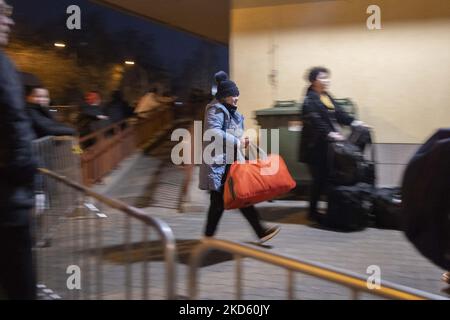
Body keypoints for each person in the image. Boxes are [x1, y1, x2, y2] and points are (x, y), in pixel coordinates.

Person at [199, 71, 280, 243]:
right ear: (224, 96)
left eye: (237, 95)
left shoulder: (228, 109)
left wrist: (242, 139)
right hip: (220, 163)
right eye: (232, 95)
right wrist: (237, 141)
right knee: (222, 201)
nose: (236, 98)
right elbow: (213, 132)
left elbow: (229, 132)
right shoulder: (216, 110)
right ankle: (209, 236)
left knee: (239, 197)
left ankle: (259, 231)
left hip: (230, 161)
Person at [0, 0, 37, 299]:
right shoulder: (2, 65)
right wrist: (28, 180)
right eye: (1, 14)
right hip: (8, 201)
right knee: (21, 285)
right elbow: (15, 122)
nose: (9, 22)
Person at [299, 67, 368, 222]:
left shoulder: (326, 96)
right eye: (323, 78)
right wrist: (328, 133)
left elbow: (340, 113)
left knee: (328, 177)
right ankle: (312, 212)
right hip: (314, 147)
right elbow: (314, 120)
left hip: (328, 146)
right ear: (314, 81)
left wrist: (355, 122)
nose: (327, 80)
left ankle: (331, 209)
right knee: (319, 179)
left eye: (327, 77)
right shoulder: (309, 99)